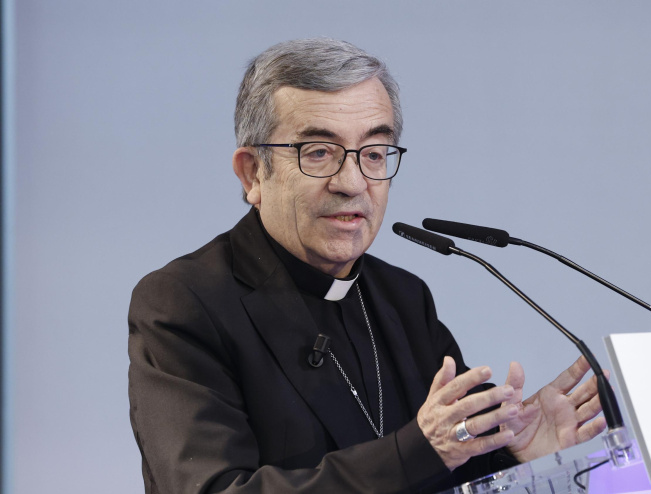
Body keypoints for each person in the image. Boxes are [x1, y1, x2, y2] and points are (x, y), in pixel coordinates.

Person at [128, 38, 607, 494]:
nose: (353, 182)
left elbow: (452, 463)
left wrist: (518, 451)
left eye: (374, 153)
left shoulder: (402, 298)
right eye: (319, 153)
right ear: (253, 173)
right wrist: (416, 451)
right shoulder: (184, 304)